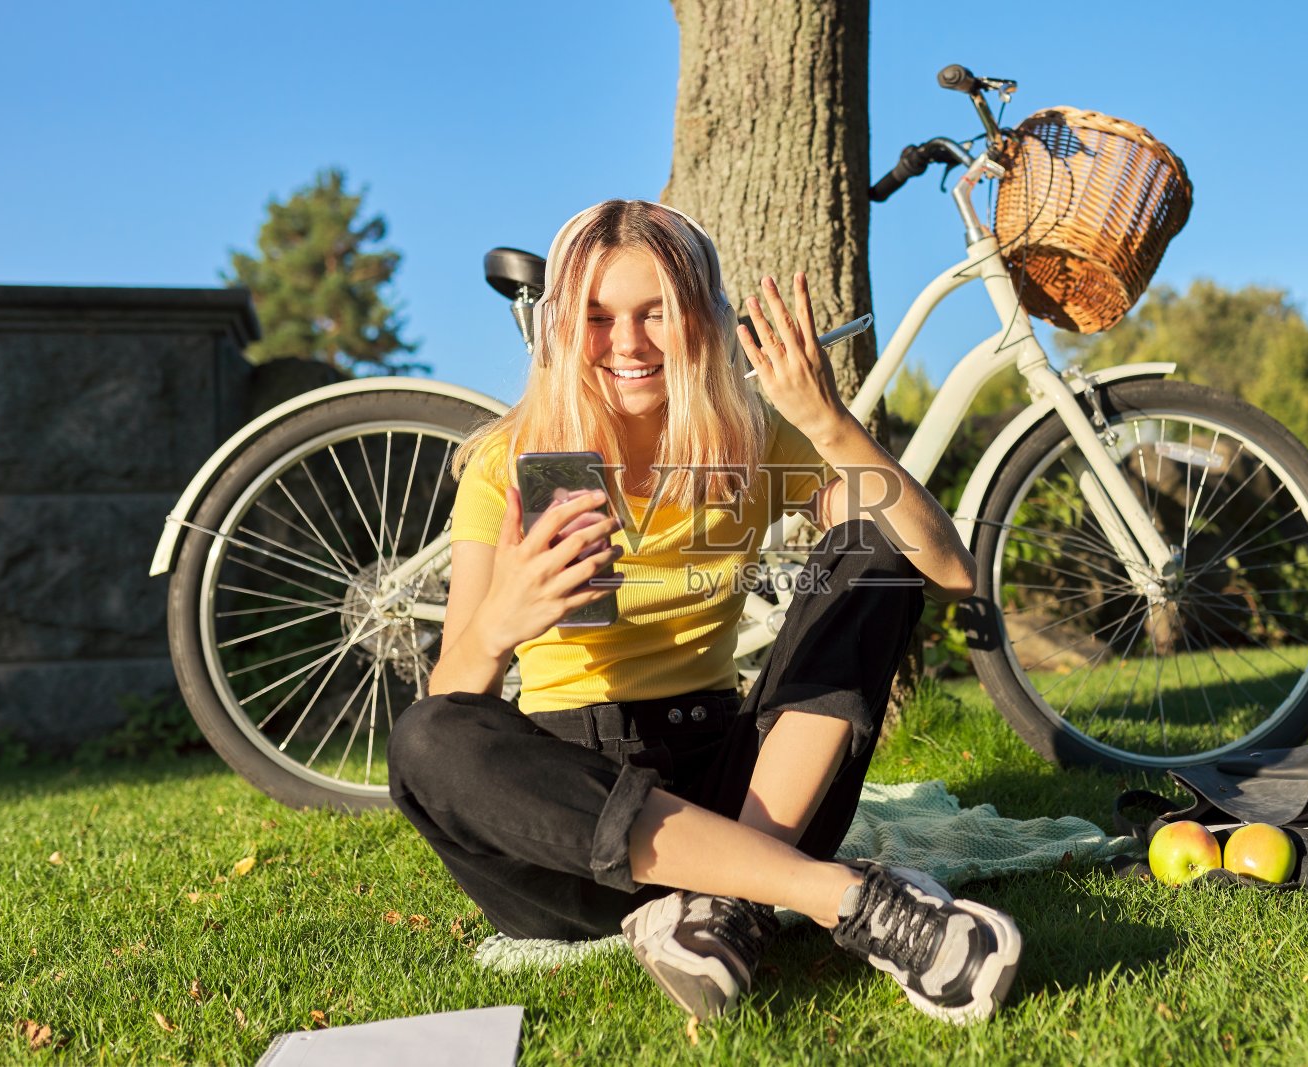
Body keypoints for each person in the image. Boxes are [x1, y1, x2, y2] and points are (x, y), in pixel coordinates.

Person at [386, 199, 1022, 1024]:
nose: (628, 343)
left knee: (877, 543)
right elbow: (453, 699)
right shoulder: (511, 461)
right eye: (597, 316)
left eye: (655, 312)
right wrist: (501, 622)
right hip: (573, 822)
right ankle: (829, 895)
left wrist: (828, 421)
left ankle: (730, 902)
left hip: (744, 788)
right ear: (560, 327)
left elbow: (945, 566)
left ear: (702, 319)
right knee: (425, 738)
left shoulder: (745, 440)